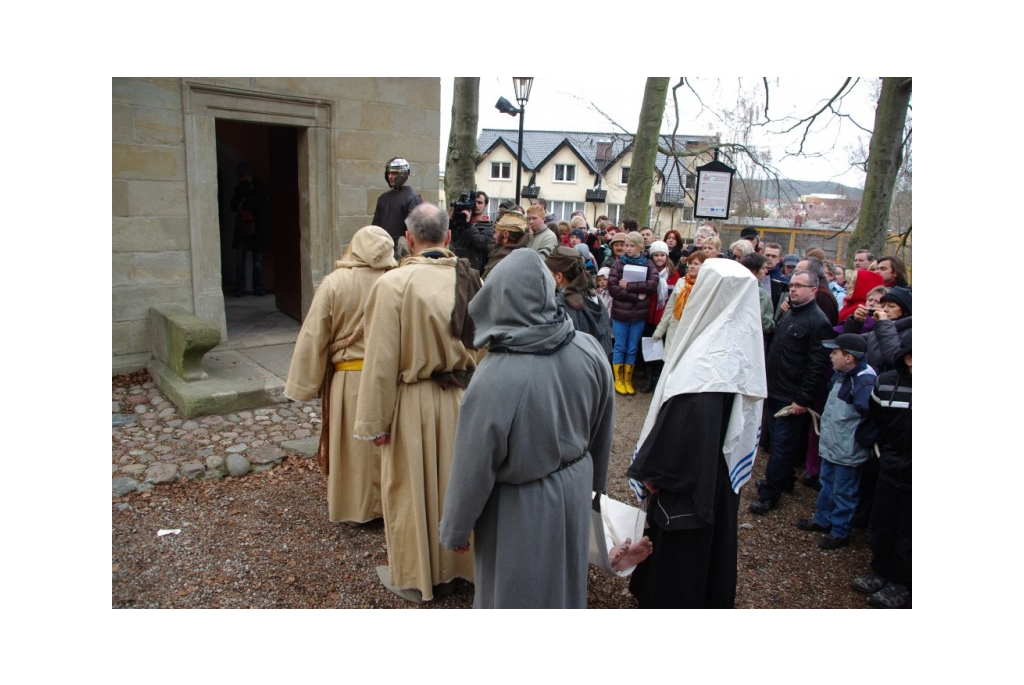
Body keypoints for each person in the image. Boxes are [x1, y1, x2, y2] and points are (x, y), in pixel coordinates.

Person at [439, 248, 615, 608]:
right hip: (575, 486)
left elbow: (473, 466)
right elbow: (602, 429)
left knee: (516, 594)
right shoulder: (590, 349)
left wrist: (456, 528)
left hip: (522, 508)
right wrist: (592, 489)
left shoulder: (494, 378)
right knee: (565, 586)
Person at [353, 203, 480, 603]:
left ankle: (422, 575)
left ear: (408, 239)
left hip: (413, 404)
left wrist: (375, 423)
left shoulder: (394, 284)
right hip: (465, 398)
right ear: (447, 237)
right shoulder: (471, 278)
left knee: (412, 489)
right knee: (460, 486)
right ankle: (467, 568)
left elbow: (380, 361)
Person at [627, 258, 767, 608]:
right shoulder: (739, 345)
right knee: (711, 550)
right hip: (714, 476)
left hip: (689, 481)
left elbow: (687, 425)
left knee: (681, 567)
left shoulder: (709, 357)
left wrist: (652, 471)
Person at [284, 226, 396, 524]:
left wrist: (302, 382)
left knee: (354, 448)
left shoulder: (335, 284)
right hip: (389, 379)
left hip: (350, 380)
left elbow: (313, 335)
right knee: (388, 444)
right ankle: (389, 506)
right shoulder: (398, 281)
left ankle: (358, 508)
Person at [750, 269, 834, 515]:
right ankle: (783, 480)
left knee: (783, 446)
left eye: (799, 285)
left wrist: (802, 399)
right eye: (792, 285)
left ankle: (769, 494)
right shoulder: (790, 312)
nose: (793, 289)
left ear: (813, 290)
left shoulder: (818, 322)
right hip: (775, 389)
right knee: (777, 442)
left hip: (791, 397)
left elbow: (818, 366)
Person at [795, 334, 878, 550]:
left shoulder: (863, 381)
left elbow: (870, 416)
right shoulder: (842, 374)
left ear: (849, 358)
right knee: (828, 483)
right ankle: (823, 519)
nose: (830, 356)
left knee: (844, 491)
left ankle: (840, 531)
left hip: (848, 450)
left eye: (835, 352)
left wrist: (860, 441)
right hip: (834, 446)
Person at [851, 333, 912, 609]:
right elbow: (879, 419)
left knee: (908, 532)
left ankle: (901, 582)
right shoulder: (887, 384)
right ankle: (879, 570)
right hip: (891, 464)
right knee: (882, 522)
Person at [607, 232, 658, 396]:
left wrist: (629, 286)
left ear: (640, 246)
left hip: (639, 315)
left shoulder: (649, 264)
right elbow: (613, 288)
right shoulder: (617, 265)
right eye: (626, 245)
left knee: (632, 348)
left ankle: (628, 380)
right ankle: (618, 380)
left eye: (631, 245)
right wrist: (636, 295)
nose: (627, 249)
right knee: (620, 346)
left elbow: (652, 284)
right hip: (620, 314)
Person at [546, 246, 613, 357]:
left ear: (559, 277)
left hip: (579, 368)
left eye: (548, 273)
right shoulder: (593, 296)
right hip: (601, 366)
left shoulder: (561, 305)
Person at [640, 240, 679, 393]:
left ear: (667, 256)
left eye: (662, 255)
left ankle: (658, 378)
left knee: (662, 349)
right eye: (656, 255)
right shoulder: (648, 272)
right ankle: (649, 378)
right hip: (648, 315)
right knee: (649, 348)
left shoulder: (673, 274)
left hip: (665, 318)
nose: (659, 258)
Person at [652, 251, 707, 350]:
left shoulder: (706, 285)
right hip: (674, 327)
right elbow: (670, 307)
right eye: (690, 263)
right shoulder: (681, 281)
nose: (692, 266)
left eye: (696, 264)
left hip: (692, 332)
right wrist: (660, 330)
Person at [230, 162, 270, 297]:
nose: (241, 179)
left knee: (257, 260)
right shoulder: (239, 188)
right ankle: (240, 287)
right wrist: (242, 198)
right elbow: (233, 206)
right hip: (243, 226)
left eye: (243, 176)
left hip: (258, 227)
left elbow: (263, 207)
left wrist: (248, 197)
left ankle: (258, 287)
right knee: (239, 258)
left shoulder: (259, 187)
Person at [371, 157, 422, 258]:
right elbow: (375, 229)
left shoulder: (412, 199)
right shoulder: (383, 198)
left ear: (404, 174)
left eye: (394, 173)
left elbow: (415, 234)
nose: (390, 176)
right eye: (388, 173)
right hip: (382, 251)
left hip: (402, 253)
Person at [449, 190, 494, 274]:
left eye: (480, 203)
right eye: (474, 202)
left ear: (486, 206)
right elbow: (449, 238)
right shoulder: (460, 224)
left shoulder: (489, 228)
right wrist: (451, 221)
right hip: (457, 269)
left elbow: (481, 242)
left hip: (475, 272)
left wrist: (468, 224)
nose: (476, 205)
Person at [481, 209, 531, 280]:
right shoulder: (524, 258)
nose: (494, 236)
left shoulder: (502, 263)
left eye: (496, 232)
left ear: (505, 236)